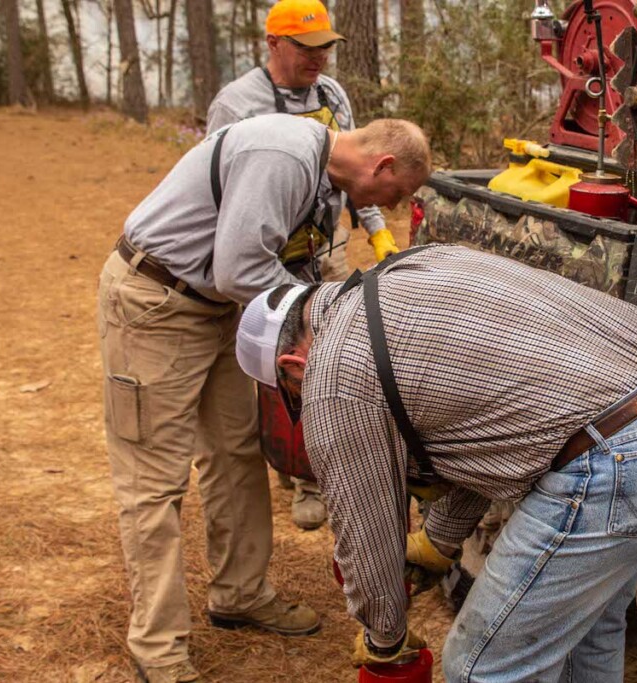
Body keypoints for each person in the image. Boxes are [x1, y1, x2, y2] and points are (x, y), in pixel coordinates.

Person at [235, 245, 637, 682]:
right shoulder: (410, 267)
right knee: (583, 634)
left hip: (617, 454)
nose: (304, 399)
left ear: (292, 368)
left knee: (480, 669)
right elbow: (485, 432)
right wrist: (438, 542)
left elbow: (365, 529)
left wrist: (385, 640)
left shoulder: (334, 371)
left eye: (293, 394)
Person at [97, 114, 431, 683]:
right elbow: (239, 268)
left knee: (236, 454)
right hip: (157, 305)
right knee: (154, 481)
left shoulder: (326, 176)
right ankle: (157, 647)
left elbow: (270, 268)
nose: (390, 208)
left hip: (219, 310)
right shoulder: (283, 155)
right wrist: (332, 315)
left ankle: (240, 593)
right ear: (381, 166)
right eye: (394, 194)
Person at [205, 0, 400, 530]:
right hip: (261, 262)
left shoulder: (331, 97)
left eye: (325, 48)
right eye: (306, 48)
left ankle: (314, 476)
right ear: (272, 44)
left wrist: (379, 235)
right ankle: (284, 462)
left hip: (321, 256)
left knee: (323, 359)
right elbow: (223, 195)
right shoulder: (237, 103)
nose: (319, 59)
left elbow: (358, 171)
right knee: (274, 361)